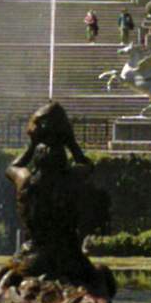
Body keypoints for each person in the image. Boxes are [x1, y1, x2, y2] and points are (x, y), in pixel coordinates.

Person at [12, 99, 103, 288]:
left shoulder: (26, 181)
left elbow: (13, 167)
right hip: (68, 257)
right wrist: (71, 143)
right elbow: (87, 165)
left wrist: (32, 145)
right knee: (100, 279)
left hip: (35, 256)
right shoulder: (70, 179)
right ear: (63, 161)